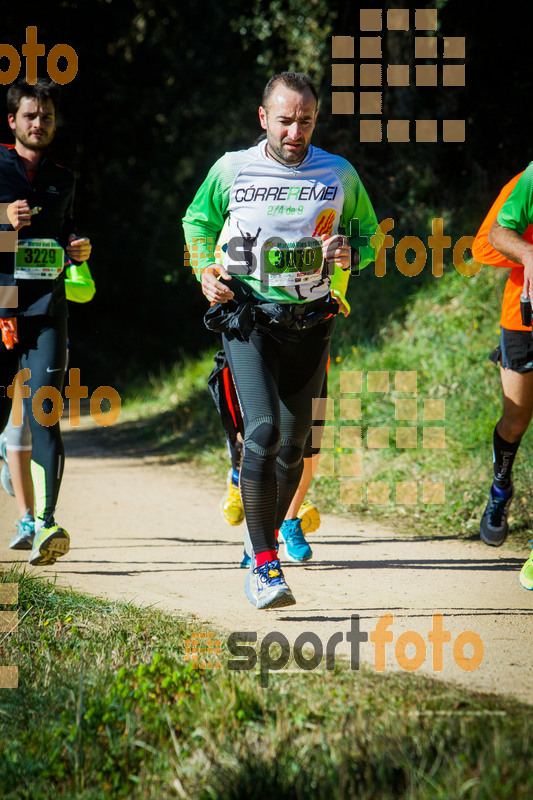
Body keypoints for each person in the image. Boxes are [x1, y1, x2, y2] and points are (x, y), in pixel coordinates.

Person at [183, 71, 380, 609]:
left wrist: (352, 256)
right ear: (263, 117)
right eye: (286, 120)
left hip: (313, 322)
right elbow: (197, 220)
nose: (296, 131)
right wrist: (205, 268)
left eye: (307, 120)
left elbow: (369, 232)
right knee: (264, 431)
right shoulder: (232, 168)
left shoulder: (338, 173)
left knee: (294, 446)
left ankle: (260, 543)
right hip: (249, 317)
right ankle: (264, 563)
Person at [0, 78, 92, 566]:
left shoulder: (63, 177)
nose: (40, 124)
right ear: (12, 120)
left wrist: (79, 244)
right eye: (31, 116)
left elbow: (67, 226)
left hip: (46, 310)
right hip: (0, 310)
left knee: (46, 417)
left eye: (48, 117)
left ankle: (47, 524)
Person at [1, 259, 95, 550]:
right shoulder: (8, 228)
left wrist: (44, 284)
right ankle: (27, 517)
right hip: (9, 325)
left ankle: (39, 522)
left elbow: (86, 290)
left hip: (46, 330)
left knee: (35, 422)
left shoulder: (62, 245)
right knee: (17, 428)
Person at [472, 167, 533, 590]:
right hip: (524, 318)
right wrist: (528, 254)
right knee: (515, 420)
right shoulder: (528, 181)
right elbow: (488, 241)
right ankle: (500, 489)